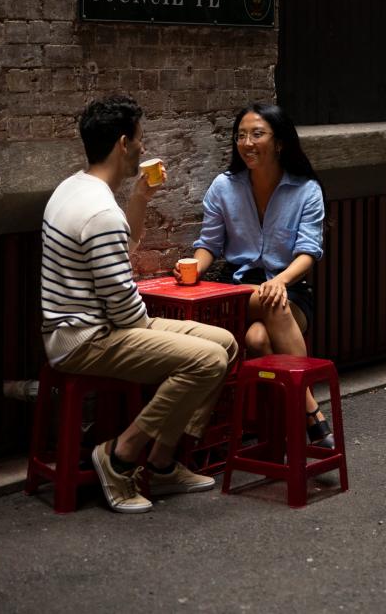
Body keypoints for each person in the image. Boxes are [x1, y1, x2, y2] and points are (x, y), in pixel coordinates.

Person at [41, 95, 238, 513]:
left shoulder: (72, 188)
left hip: (91, 326)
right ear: (123, 143)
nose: (144, 149)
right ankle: (120, 455)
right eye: (141, 140)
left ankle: (162, 464)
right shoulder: (98, 211)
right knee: (207, 361)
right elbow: (124, 310)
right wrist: (164, 337)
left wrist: (141, 199)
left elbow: (121, 246)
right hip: (86, 338)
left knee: (226, 343)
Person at [185, 102, 334, 448]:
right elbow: (209, 243)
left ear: (279, 142)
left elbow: (308, 254)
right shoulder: (224, 187)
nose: (247, 143)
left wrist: (280, 281)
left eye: (257, 134)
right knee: (269, 303)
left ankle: (272, 434)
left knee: (256, 339)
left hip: (291, 293)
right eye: (241, 136)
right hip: (237, 288)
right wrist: (193, 268)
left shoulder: (306, 190)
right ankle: (310, 410)